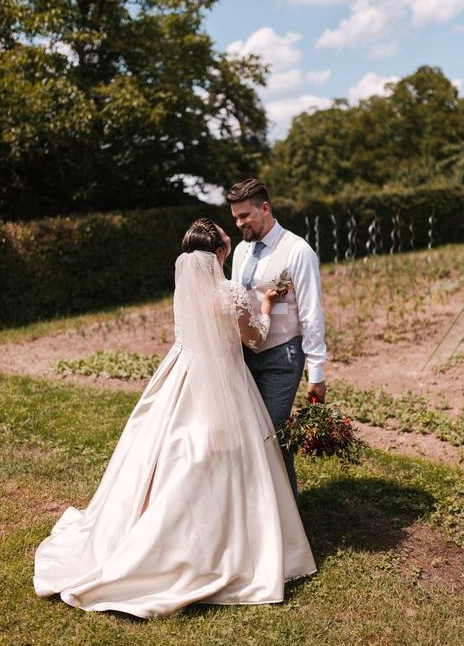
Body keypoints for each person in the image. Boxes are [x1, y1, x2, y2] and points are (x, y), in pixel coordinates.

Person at [33, 218, 316, 618]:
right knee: (227, 456)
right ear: (220, 252)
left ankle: (161, 531)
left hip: (181, 375)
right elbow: (254, 339)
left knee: (171, 451)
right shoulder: (230, 292)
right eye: (225, 236)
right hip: (224, 379)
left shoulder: (185, 290)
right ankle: (221, 543)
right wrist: (266, 306)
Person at [227, 179, 327, 498]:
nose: (239, 223)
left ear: (265, 208)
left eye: (245, 216)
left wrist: (317, 373)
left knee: (272, 435)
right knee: (247, 433)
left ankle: (287, 510)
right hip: (245, 356)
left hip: (282, 356)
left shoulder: (298, 251)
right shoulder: (241, 251)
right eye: (235, 218)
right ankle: (258, 508)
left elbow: (311, 314)